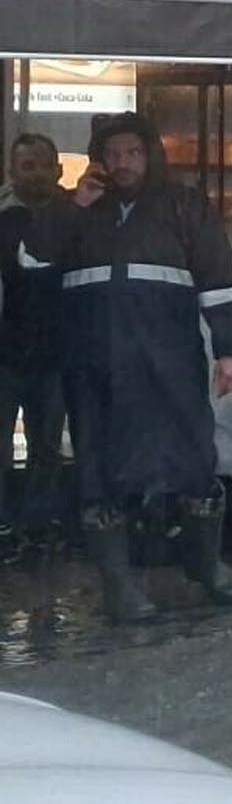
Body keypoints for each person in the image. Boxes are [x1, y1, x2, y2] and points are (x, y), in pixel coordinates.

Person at [11, 113, 232, 620]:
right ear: (99, 158)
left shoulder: (185, 205)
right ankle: (120, 587)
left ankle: (206, 564)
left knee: (193, 456)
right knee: (98, 467)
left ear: (150, 155)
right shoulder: (72, 210)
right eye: (113, 154)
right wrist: (72, 207)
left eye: (132, 153)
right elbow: (30, 261)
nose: (122, 164)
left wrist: (230, 350)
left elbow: (219, 278)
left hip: (169, 360)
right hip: (93, 365)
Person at [0, 134, 72, 536]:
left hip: (56, 353)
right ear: (12, 171)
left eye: (44, 164)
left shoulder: (76, 217)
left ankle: (39, 526)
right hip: (5, 352)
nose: (38, 174)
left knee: (48, 445)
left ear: (59, 169)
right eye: (28, 166)